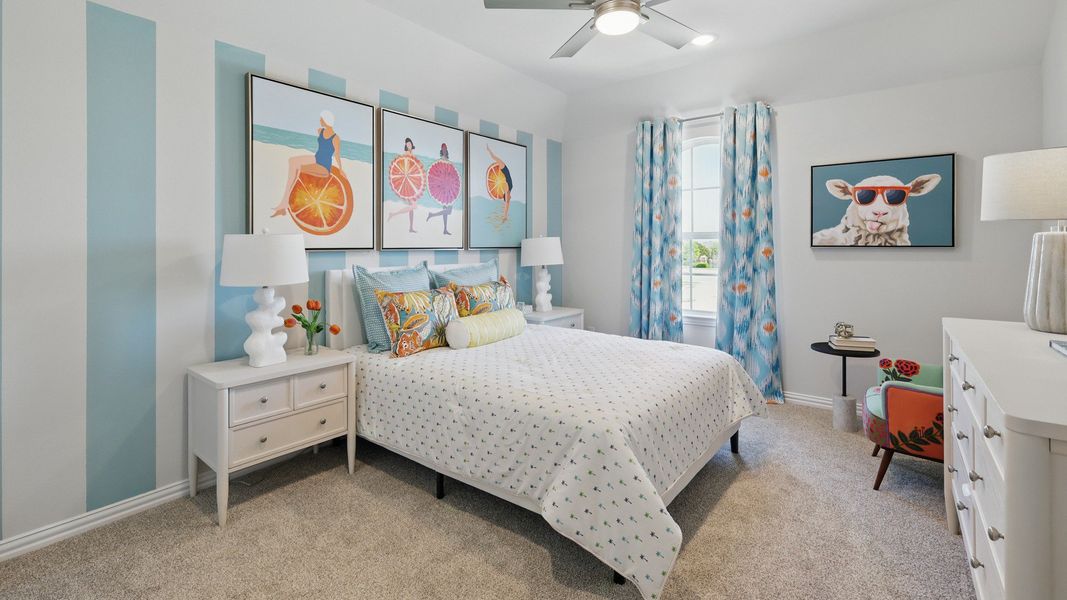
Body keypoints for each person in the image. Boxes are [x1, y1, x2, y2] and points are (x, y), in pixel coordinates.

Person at [272, 110, 344, 217]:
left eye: (321, 119)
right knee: (292, 161)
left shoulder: (336, 138)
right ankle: (285, 202)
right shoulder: (320, 131)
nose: (320, 120)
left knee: (296, 167)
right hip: (316, 158)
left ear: (326, 120)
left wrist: (341, 169)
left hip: (324, 166)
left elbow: (337, 154)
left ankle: (285, 202)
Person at [387, 137, 419, 233]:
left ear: (411, 144)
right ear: (405, 145)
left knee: (411, 207)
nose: (409, 145)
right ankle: (393, 214)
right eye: (407, 144)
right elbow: (405, 166)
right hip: (407, 181)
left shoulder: (412, 154)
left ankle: (411, 227)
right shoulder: (407, 154)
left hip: (411, 181)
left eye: (410, 143)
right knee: (414, 206)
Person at [426, 143, 454, 235]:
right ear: (441, 151)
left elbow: (451, 175)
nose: (444, 151)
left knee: (448, 211)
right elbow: (438, 174)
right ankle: (445, 229)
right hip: (443, 189)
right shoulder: (440, 162)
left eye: (445, 149)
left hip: (449, 189)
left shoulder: (449, 162)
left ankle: (432, 215)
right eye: (443, 149)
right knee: (446, 211)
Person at [487, 144, 513, 222]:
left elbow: (507, 203)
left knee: (494, 157)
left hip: (504, 170)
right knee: (494, 157)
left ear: (506, 196)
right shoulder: (508, 189)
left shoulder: (507, 188)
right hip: (504, 169)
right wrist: (505, 216)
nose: (510, 198)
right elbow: (507, 203)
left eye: (508, 198)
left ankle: (489, 150)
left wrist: (505, 216)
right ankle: (489, 150)